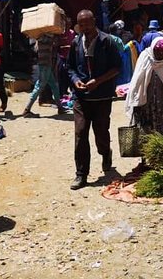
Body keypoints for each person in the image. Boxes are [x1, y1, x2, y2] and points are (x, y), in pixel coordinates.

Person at [67, 10, 122, 190]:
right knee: (81, 133)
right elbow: (70, 68)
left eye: (87, 24)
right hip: (81, 98)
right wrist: (76, 81)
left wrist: (97, 81)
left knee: (101, 133)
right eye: (81, 24)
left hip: (102, 97)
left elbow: (117, 68)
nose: (84, 28)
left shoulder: (108, 41)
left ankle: (106, 153)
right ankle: (81, 174)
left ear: (94, 21)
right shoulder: (76, 42)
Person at [126, 37, 163, 136]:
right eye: (157, 52)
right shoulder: (145, 56)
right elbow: (137, 80)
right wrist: (136, 99)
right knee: (146, 127)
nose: (160, 55)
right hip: (146, 100)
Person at [23, 33, 65, 117]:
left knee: (54, 85)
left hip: (46, 64)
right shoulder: (44, 38)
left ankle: (60, 107)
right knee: (39, 86)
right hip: (45, 65)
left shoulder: (40, 38)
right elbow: (54, 42)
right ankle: (27, 109)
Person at [57, 17, 76, 97]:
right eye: (66, 24)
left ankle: (68, 91)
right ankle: (62, 92)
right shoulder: (60, 33)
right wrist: (63, 47)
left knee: (69, 75)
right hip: (62, 57)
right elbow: (58, 45)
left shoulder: (72, 33)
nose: (67, 26)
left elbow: (73, 44)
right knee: (61, 75)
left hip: (69, 57)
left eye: (69, 24)